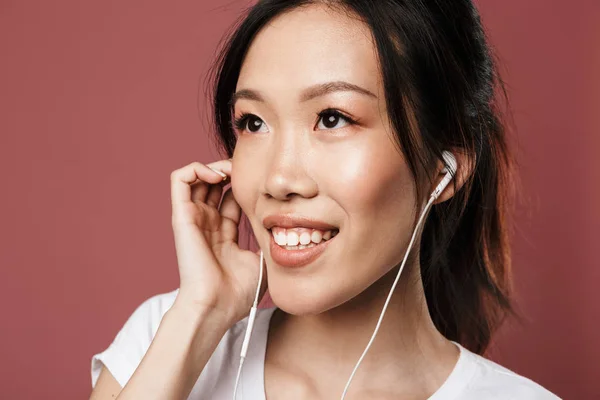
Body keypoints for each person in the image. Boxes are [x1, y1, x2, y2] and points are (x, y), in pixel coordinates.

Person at [89, 1, 561, 399]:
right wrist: (200, 315)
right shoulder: (164, 340)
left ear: (444, 169)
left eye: (332, 118)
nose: (277, 178)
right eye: (253, 122)